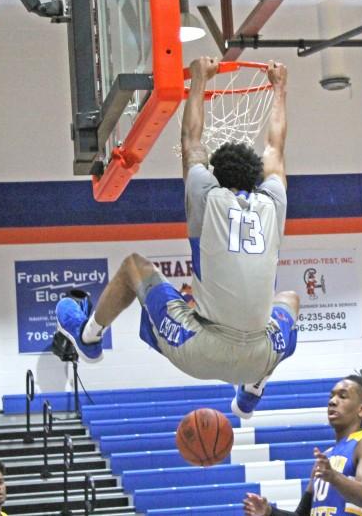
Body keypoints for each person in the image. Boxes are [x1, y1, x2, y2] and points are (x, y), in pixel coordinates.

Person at [56, 58, 299, 419]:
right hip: (262, 353)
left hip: (201, 349)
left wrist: (199, 79)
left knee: (134, 267)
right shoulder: (272, 202)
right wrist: (279, 89)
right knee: (290, 300)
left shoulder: (205, 195)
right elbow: (275, 149)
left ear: (215, 174)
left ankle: (89, 336)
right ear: (256, 178)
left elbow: (192, 141)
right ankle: (252, 388)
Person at [242, 367, 362, 516]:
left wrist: (334, 477)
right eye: (331, 396)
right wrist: (269, 512)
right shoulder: (327, 456)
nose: (333, 401)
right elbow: (301, 514)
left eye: (343, 396)